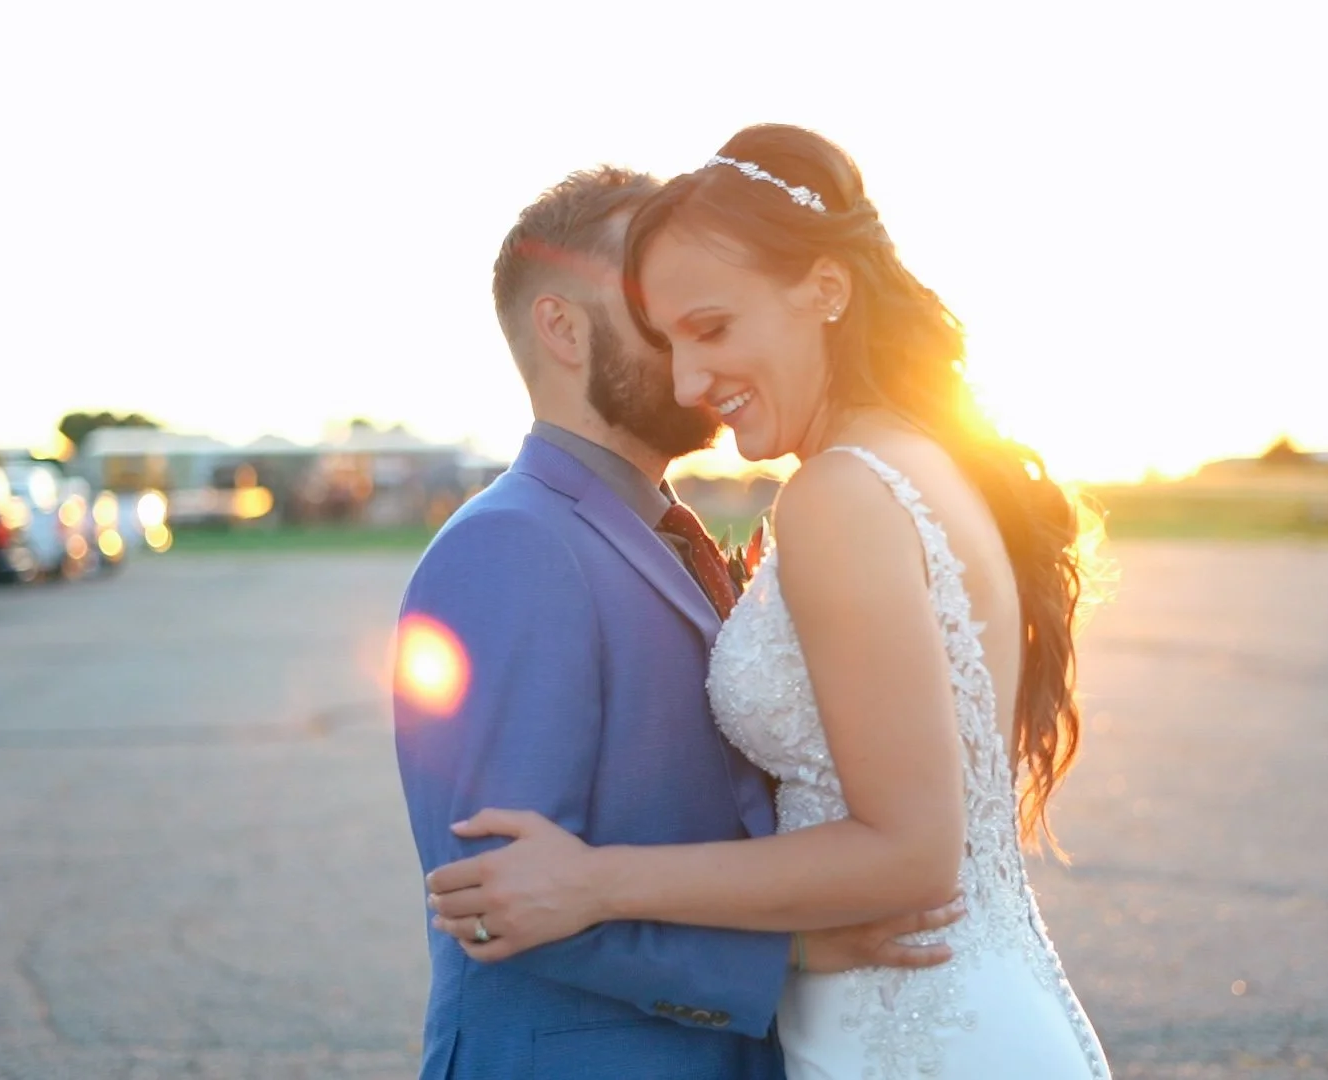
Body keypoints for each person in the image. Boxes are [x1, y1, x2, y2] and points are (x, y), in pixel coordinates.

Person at [426, 127, 1113, 1078]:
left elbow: (906, 848)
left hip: (914, 1029)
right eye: (665, 336)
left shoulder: (843, 492)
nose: (687, 378)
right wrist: (785, 953)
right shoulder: (515, 544)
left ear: (826, 291)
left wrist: (597, 883)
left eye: (708, 327)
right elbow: (496, 888)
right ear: (562, 327)